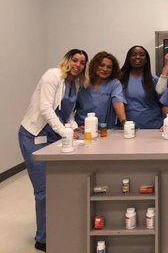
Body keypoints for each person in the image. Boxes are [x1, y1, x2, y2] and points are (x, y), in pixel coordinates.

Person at [18, 49, 89, 252]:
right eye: (74, 60)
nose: (78, 65)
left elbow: (69, 114)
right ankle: (43, 239)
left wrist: (72, 128)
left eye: (82, 62)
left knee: (59, 184)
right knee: (43, 190)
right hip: (34, 136)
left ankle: (58, 228)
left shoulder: (75, 84)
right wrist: (65, 132)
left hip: (54, 137)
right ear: (67, 60)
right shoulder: (53, 75)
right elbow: (46, 109)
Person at [75, 51, 127, 129]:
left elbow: (118, 102)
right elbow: (72, 105)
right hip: (81, 128)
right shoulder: (83, 81)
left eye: (109, 67)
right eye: (101, 65)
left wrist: (125, 123)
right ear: (95, 65)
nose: (105, 69)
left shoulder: (114, 84)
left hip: (104, 129)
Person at [120, 46, 162, 129]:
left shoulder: (154, 80)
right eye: (133, 55)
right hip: (128, 128)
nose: (137, 57)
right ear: (128, 59)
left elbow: (163, 104)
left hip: (153, 128)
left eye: (142, 55)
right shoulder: (120, 80)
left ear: (146, 60)